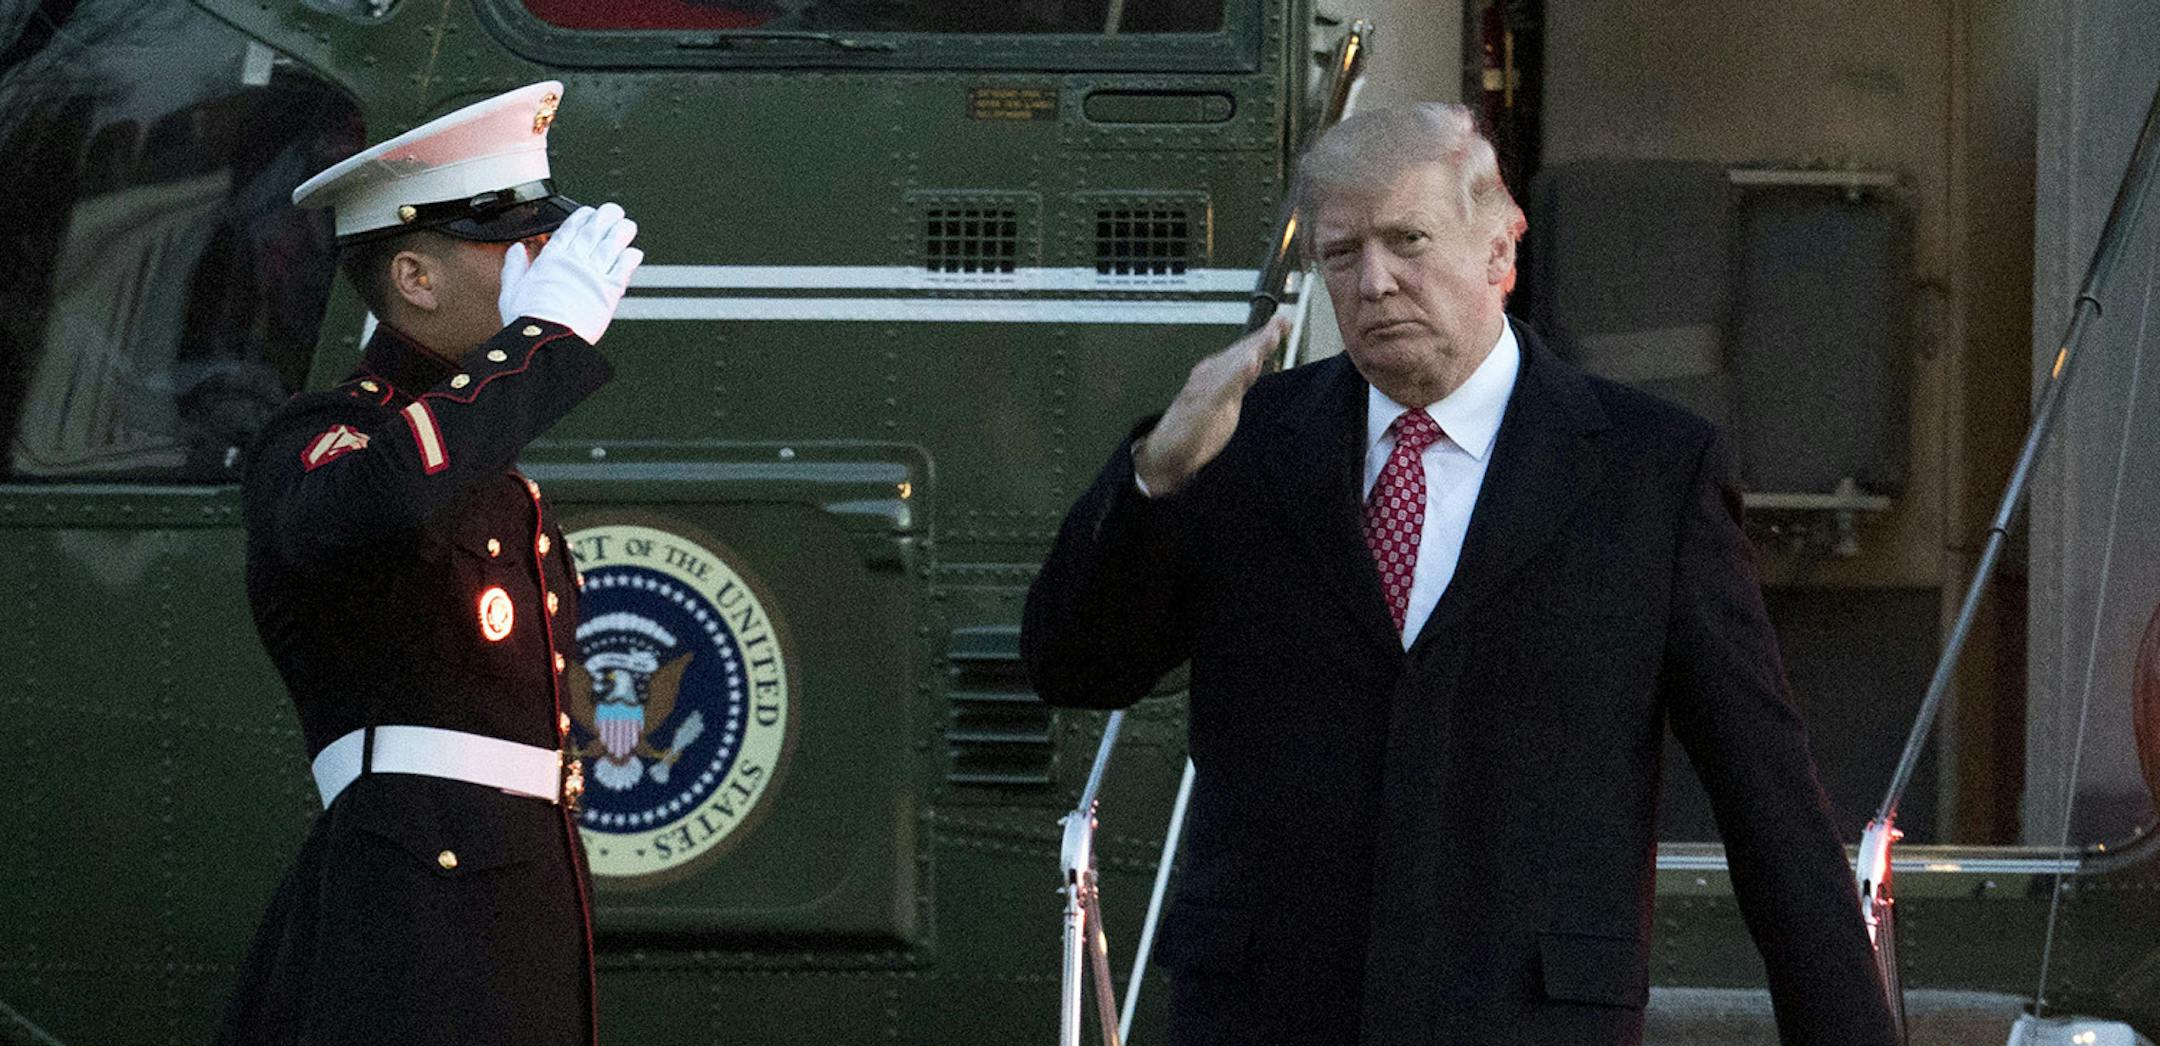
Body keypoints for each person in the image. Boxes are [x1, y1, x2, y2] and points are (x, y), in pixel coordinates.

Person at [1021, 104, 1897, 1046]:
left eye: (1409, 240)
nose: (1376, 282)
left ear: (1501, 251)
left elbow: (1768, 800)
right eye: (1343, 252)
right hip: (1267, 1011)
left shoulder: (1647, 474)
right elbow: (1076, 665)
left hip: (1524, 1016)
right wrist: (1155, 472)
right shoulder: (1241, 444)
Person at [217, 81, 641, 1046]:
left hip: (512, 904)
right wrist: (548, 341)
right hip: (412, 918)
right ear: (415, 277)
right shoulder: (327, 440)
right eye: (518, 245)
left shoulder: (491, 476)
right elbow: (390, 497)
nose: (547, 266)